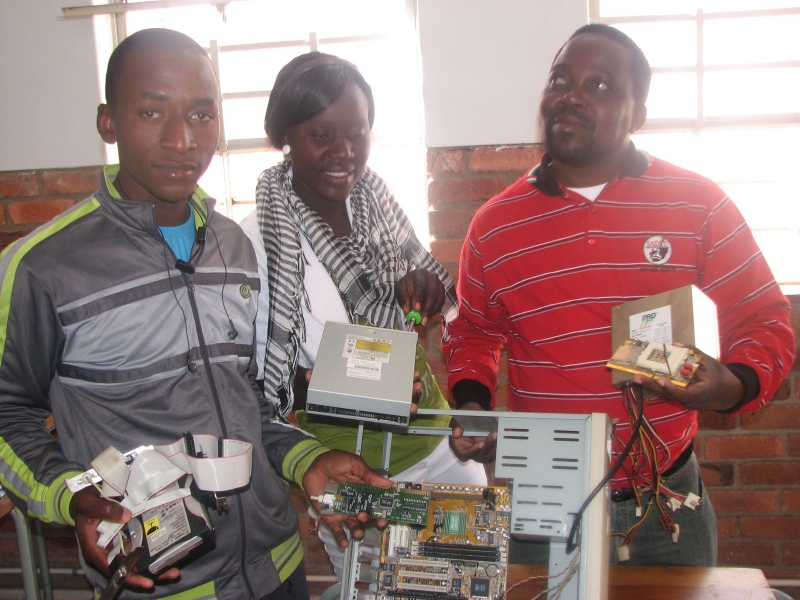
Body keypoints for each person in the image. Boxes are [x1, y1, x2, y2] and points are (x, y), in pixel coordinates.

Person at [0, 29, 389, 600]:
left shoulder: (233, 248)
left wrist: (307, 457)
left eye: (202, 114)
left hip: (278, 567)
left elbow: (244, 399)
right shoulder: (45, 267)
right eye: (152, 111)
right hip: (162, 581)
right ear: (108, 123)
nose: (182, 139)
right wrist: (69, 494)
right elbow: (8, 412)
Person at [442, 24, 795, 567]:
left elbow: (764, 320)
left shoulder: (698, 205)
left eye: (600, 85)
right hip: (544, 504)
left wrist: (731, 385)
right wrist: (474, 406)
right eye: (560, 80)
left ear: (638, 115)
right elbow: (472, 333)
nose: (571, 96)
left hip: (665, 506)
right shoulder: (495, 224)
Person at [240, 52, 487, 577]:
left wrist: (419, 289)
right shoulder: (257, 239)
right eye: (321, 135)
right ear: (285, 137)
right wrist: (350, 387)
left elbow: (413, 311)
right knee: (376, 586)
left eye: (357, 133)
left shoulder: (378, 205)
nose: (344, 152)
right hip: (349, 465)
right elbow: (263, 385)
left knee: (470, 577)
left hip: (438, 444)